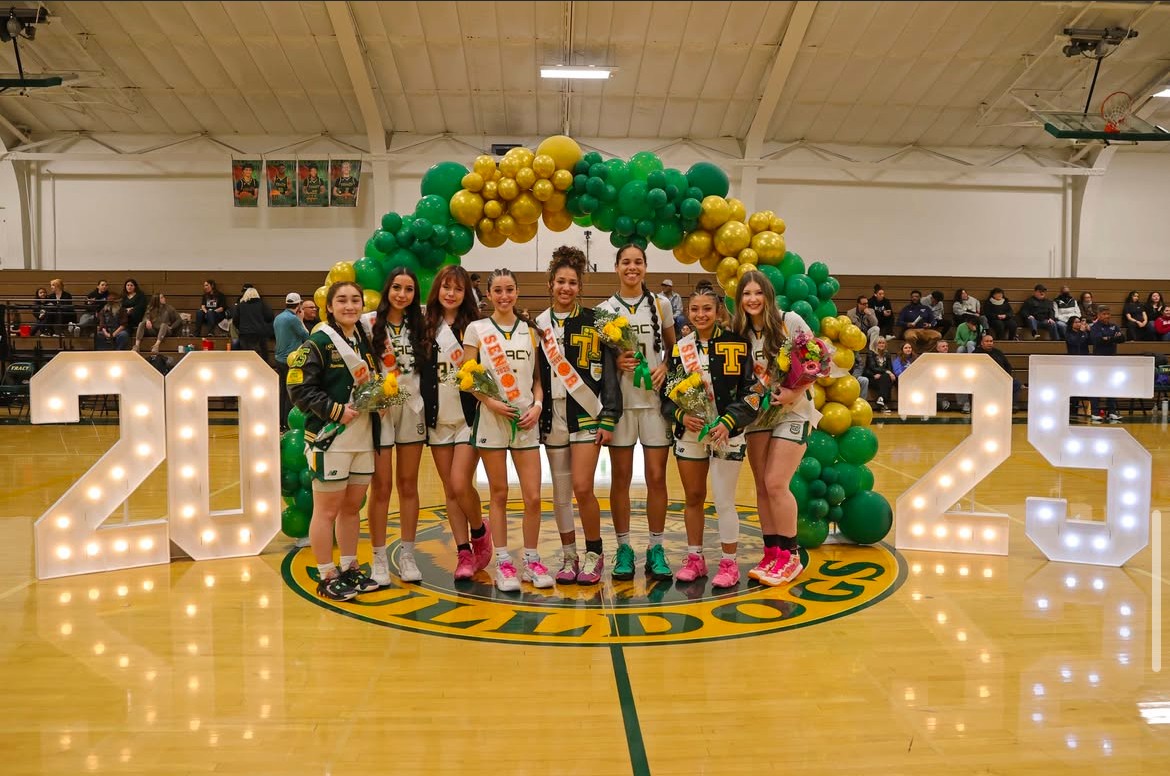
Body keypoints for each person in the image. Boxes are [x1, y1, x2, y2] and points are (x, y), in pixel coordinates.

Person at [286, 281, 381, 601]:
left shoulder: (363, 340)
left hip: (363, 438)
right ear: (330, 306)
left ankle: (349, 565)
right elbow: (299, 389)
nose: (350, 306)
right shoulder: (317, 342)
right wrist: (334, 410)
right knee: (326, 511)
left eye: (355, 300)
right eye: (342, 300)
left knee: (352, 509)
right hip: (331, 439)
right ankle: (327, 573)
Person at [537, 246, 623, 585]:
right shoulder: (537, 325)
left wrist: (610, 416)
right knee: (560, 492)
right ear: (550, 283)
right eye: (561, 281)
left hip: (587, 413)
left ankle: (594, 552)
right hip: (552, 416)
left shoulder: (595, 322)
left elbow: (613, 373)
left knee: (583, 487)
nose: (566, 288)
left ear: (580, 286)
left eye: (572, 282)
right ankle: (569, 555)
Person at [663, 282, 757, 588]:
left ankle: (728, 563)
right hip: (690, 435)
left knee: (724, 500)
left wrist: (729, 421)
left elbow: (754, 393)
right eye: (694, 309)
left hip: (727, 432)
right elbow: (667, 395)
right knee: (693, 497)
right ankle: (695, 558)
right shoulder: (680, 347)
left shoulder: (739, 344)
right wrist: (681, 415)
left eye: (707, 308)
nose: (700, 314)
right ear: (687, 312)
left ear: (718, 311)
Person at [460, 268, 548, 591]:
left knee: (534, 497)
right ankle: (504, 562)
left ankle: (532, 560)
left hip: (526, 420)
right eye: (497, 290)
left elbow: (538, 381)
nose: (504, 296)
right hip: (492, 420)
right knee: (499, 494)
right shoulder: (476, 329)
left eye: (509, 289)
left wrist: (537, 406)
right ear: (488, 295)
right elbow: (466, 377)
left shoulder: (530, 330)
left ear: (517, 292)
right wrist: (491, 402)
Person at [596, 243, 677, 583]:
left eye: (638, 262)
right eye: (626, 262)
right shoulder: (604, 311)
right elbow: (599, 362)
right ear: (616, 267)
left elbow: (676, 349)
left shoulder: (660, 304)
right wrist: (615, 360)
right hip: (623, 406)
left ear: (645, 266)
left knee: (657, 478)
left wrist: (666, 367)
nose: (633, 267)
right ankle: (625, 547)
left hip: (655, 405)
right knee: (621, 479)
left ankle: (656, 547)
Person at [734, 270, 813, 586]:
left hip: (793, 412)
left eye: (758, 292)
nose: (752, 299)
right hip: (758, 418)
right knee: (762, 486)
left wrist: (794, 391)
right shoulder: (738, 333)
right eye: (746, 293)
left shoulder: (789, 322)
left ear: (767, 295)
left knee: (776, 482)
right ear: (739, 300)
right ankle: (772, 553)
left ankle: (791, 556)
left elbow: (817, 362)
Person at [416, 265, 492, 581]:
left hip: (467, 418)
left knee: (461, 483)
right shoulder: (423, 326)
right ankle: (463, 552)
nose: (451, 293)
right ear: (437, 290)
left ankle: (479, 531)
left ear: (466, 295)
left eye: (458, 289)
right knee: (450, 490)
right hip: (437, 419)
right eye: (446, 287)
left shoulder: (475, 327)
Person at [364, 267, 427, 586]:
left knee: (408, 484)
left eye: (409, 289)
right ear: (387, 289)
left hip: (412, 409)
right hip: (381, 411)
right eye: (397, 288)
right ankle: (377, 558)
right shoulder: (367, 323)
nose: (402, 294)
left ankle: (407, 555)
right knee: (382, 486)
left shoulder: (421, 324)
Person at [275, 293, 310, 430]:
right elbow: (307, 336)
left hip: (279, 358)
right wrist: (301, 319)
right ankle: (288, 422)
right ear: (299, 305)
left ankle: (281, 422)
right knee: (292, 393)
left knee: (283, 392)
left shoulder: (278, 318)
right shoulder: (293, 319)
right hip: (291, 360)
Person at [1089, 306, 1124, 423]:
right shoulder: (1095, 327)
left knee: (1112, 386)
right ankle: (1095, 412)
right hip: (1098, 361)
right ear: (1099, 315)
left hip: (1112, 360)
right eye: (1104, 314)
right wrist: (1113, 338)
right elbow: (1097, 340)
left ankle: (1112, 412)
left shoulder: (1114, 326)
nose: (1107, 316)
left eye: (1108, 314)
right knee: (1096, 387)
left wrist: (1108, 339)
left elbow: (1122, 338)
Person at [978, 333, 1021, 412]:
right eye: (987, 341)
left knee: (1017, 383)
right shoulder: (976, 353)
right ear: (982, 343)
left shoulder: (998, 352)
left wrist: (1007, 377)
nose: (989, 343)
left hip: (1001, 379)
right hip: (985, 380)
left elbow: (1008, 366)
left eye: (991, 341)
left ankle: (1013, 405)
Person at [232, 287, 275, 364]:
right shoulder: (262, 304)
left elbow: (235, 320)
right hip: (260, 333)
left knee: (247, 356)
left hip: (245, 334)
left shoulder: (240, 305)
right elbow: (270, 317)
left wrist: (241, 327)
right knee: (262, 356)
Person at [1065, 316, 1092, 420]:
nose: (1078, 324)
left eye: (1079, 322)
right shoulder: (1068, 334)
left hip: (1084, 362)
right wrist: (1081, 332)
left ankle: (1085, 407)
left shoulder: (1084, 333)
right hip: (1073, 362)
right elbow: (1074, 343)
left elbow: (1091, 342)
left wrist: (1089, 332)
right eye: (1076, 322)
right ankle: (1073, 407)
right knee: (1073, 385)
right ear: (1071, 324)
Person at [864, 337, 896, 413]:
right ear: (876, 344)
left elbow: (890, 368)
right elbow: (872, 368)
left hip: (883, 378)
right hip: (873, 377)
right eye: (879, 343)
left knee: (886, 377)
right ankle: (884, 404)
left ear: (885, 344)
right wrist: (886, 372)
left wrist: (888, 373)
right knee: (886, 377)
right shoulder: (871, 353)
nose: (881, 344)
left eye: (883, 343)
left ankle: (881, 399)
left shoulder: (887, 354)